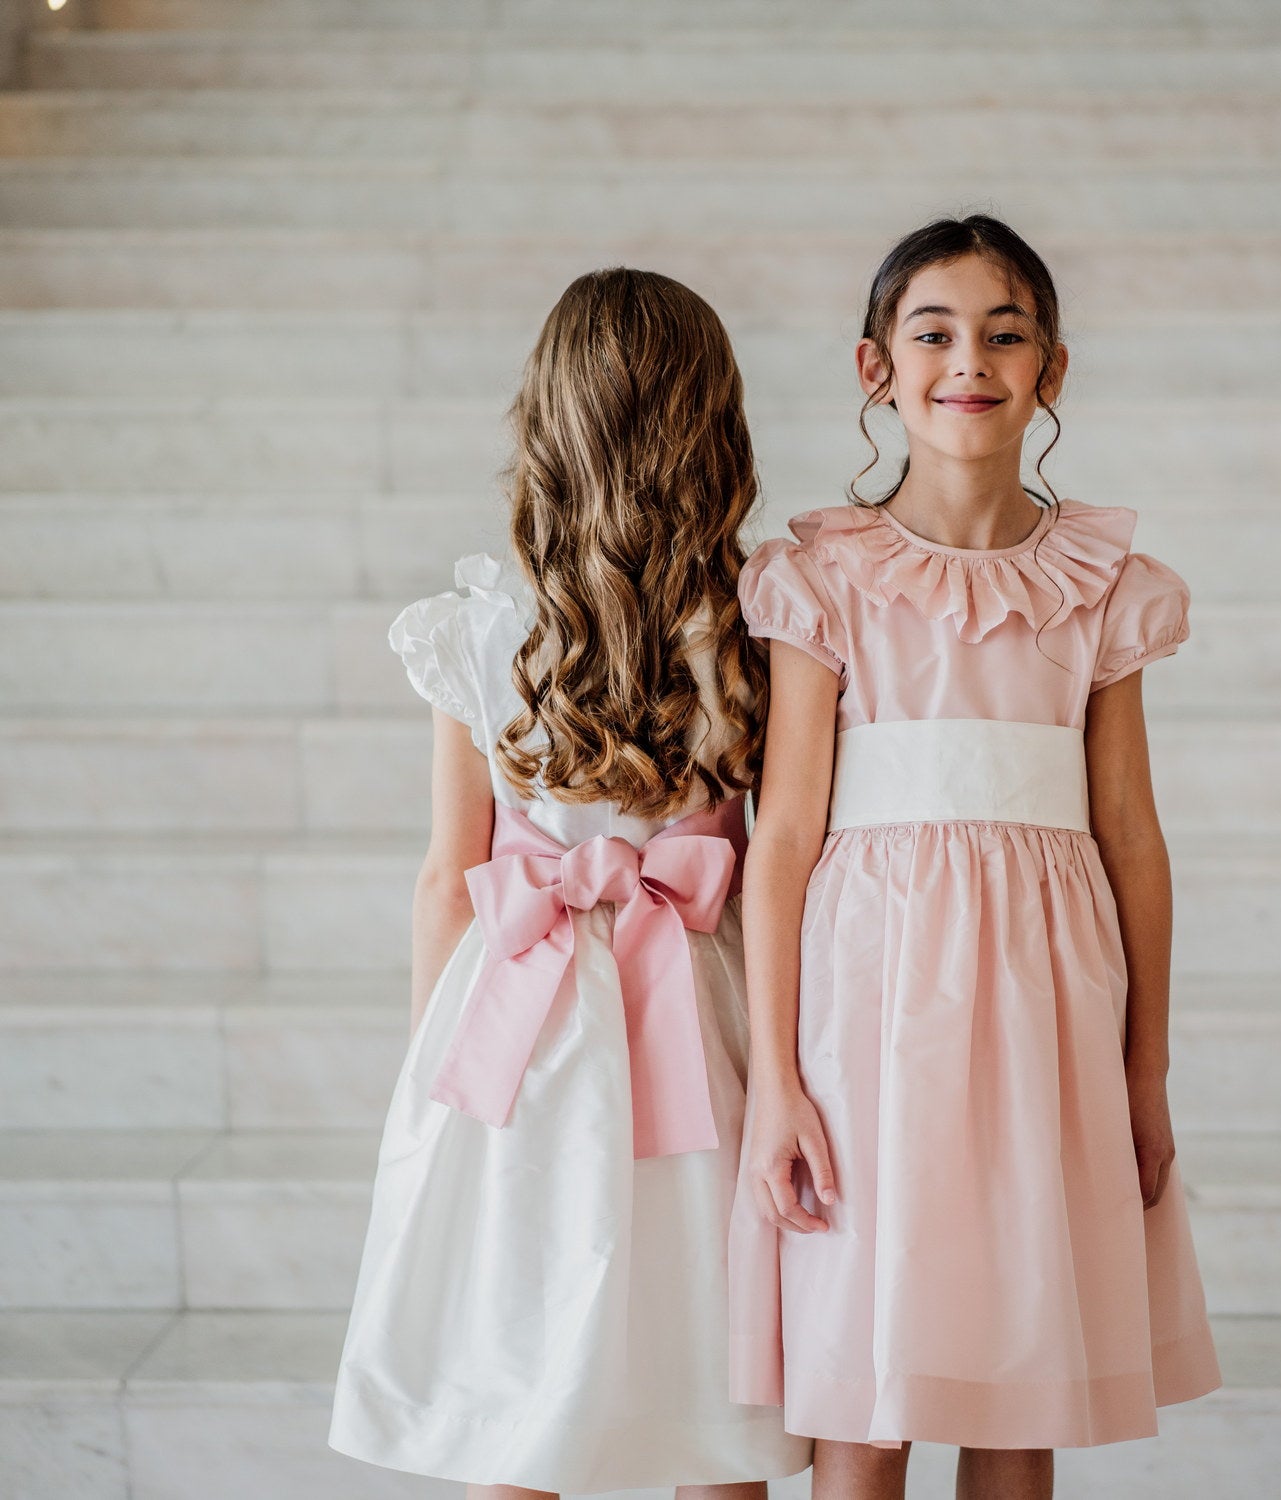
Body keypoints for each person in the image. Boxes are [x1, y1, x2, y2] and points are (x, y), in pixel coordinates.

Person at [727, 215, 1223, 1500]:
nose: (970, 361)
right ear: (874, 369)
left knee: (1019, 1375)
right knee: (867, 1389)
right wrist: (776, 1079)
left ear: (1051, 370)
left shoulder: (1104, 586)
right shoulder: (823, 578)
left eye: (1007, 335)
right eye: (933, 333)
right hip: (866, 1018)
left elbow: (1133, 839)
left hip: (1045, 1015)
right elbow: (783, 836)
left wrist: (1146, 1070)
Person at [328, 268, 812, 1498]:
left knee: (517, 1368)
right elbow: (782, 856)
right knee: (714, 1374)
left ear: (545, 424)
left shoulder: (483, 630)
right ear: (716, 425)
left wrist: (434, 1078)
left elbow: (452, 875)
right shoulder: (760, 622)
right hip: (700, 1013)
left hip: (525, 1022)